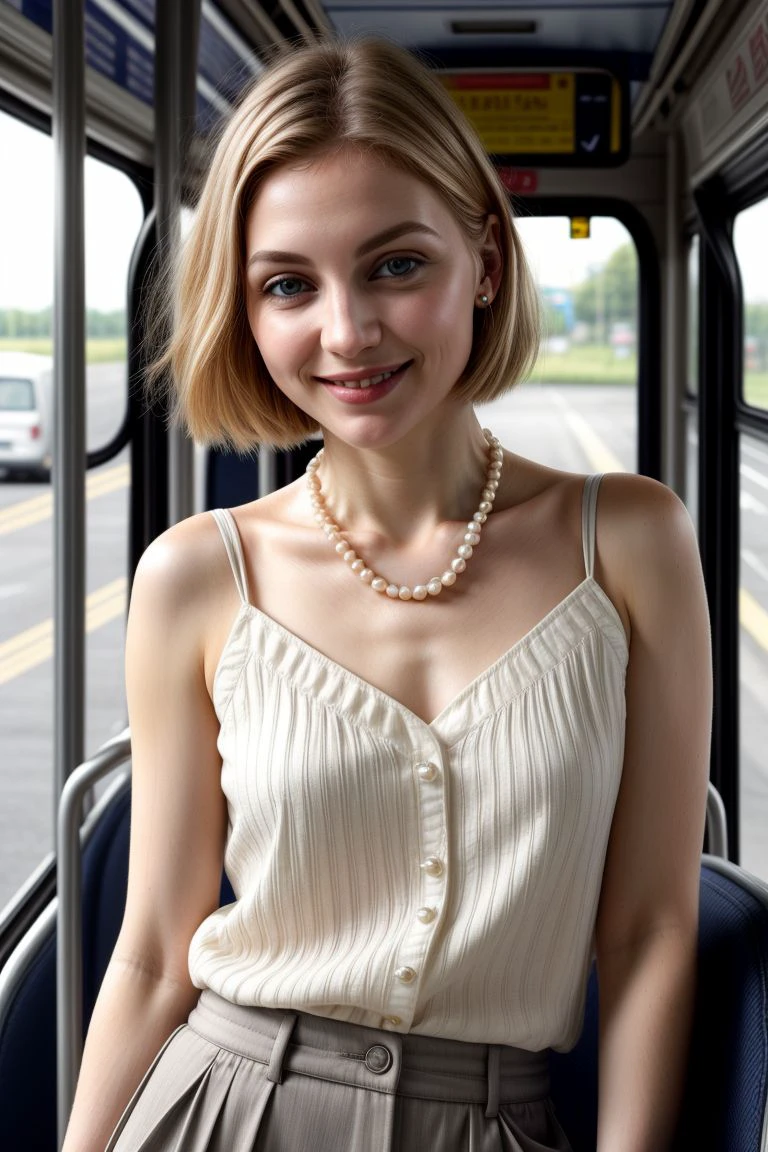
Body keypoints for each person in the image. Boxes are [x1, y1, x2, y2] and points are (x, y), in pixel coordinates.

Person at [61, 36, 712, 1152]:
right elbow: (157, 952)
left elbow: (651, 929)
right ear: (247, 309)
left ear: (486, 263)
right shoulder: (196, 575)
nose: (347, 332)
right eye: (286, 286)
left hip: (499, 1120)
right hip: (221, 1110)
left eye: (396, 266)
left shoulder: (632, 541)